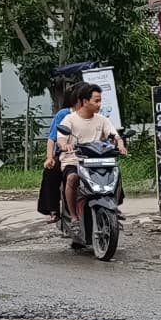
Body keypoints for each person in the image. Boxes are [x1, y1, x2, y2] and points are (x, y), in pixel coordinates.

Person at [58, 83, 127, 218]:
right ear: (85, 101)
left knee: (115, 174)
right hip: (74, 160)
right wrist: (65, 145)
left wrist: (120, 144)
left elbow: (114, 135)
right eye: (96, 101)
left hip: (98, 161)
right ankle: (73, 216)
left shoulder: (102, 120)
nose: (99, 104)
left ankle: (113, 206)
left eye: (100, 100)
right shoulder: (69, 119)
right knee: (72, 178)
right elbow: (61, 139)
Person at [39, 88, 79, 221]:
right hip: (66, 154)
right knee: (51, 170)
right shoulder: (63, 114)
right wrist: (50, 158)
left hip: (88, 154)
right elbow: (52, 138)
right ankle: (54, 210)